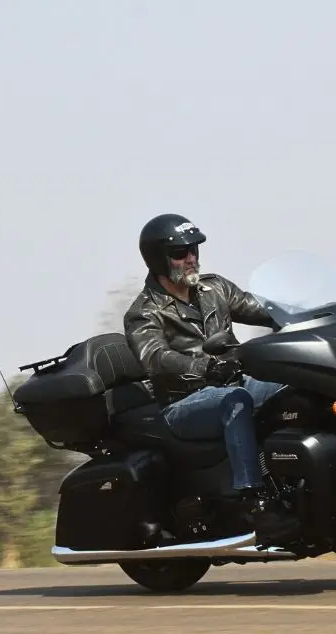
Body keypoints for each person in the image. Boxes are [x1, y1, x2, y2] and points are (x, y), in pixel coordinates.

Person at [122, 212, 302, 545]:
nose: (190, 258)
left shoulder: (215, 288)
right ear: (158, 259)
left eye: (194, 249)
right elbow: (157, 358)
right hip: (183, 404)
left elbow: (263, 308)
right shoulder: (144, 311)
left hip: (235, 383)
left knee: (297, 385)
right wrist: (206, 367)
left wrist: (312, 310)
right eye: (180, 253)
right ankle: (254, 502)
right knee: (237, 402)